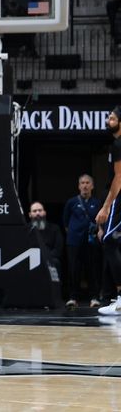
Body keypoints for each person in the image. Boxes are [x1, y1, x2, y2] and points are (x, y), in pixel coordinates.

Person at [62, 174, 101, 308]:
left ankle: (94, 297)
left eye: (87, 183)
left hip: (91, 241)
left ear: (92, 186)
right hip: (74, 241)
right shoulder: (72, 202)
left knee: (92, 269)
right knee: (74, 269)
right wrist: (74, 233)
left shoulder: (97, 203)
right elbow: (65, 222)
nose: (85, 185)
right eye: (82, 183)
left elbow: (100, 221)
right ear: (79, 186)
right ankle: (73, 297)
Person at [97, 107, 121, 316]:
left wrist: (106, 207)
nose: (108, 120)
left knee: (109, 241)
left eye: (112, 118)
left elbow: (118, 178)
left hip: (119, 199)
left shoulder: (118, 144)